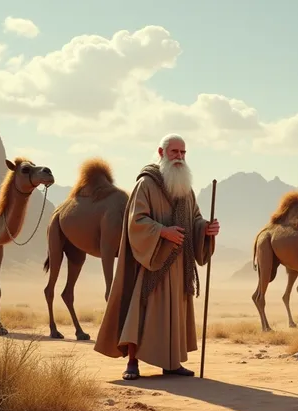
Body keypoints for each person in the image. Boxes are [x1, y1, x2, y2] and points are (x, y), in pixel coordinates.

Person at [93, 133, 220, 380]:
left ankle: (171, 363)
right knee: (140, 309)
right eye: (174, 152)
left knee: (174, 315)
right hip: (151, 260)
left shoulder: (185, 187)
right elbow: (136, 221)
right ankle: (132, 363)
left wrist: (205, 229)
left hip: (179, 265)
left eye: (183, 153)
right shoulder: (146, 183)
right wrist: (163, 232)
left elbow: (194, 218)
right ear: (161, 153)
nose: (180, 157)